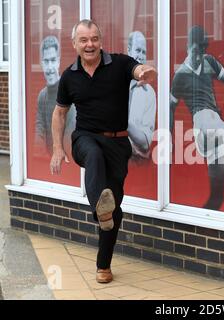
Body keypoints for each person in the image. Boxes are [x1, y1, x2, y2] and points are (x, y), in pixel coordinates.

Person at [49, 20, 157, 283]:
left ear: (101, 41)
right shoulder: (69, 76)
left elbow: (135, 68)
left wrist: (143, 71)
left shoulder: (118, 63)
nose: (90, 45)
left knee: (114, 206)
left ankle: (103, 266)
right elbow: (60, 112)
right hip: (85, 140)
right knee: (94, 157)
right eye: (84, 40)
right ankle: (101, 210)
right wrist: (56, 149)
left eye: (94, 39)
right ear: (74, 44)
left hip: (118, 144)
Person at [170, 26, 224, 211]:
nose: (199, 56)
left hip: (214, 128)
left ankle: (207, 218)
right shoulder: (180, 76)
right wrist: (169, 138)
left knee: (217, 197)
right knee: (218, 125)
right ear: (187, 46)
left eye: (202, 51)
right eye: (195, 51)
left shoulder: (209, 62)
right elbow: (170, 107)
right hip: (201, 121)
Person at [35, 35, 76, 155]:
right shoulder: (42, 96)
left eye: (53, 60)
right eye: (46, 61)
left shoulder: (69, 92)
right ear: (41, 63)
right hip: (48, 161)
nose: (49, 68)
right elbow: (39, 130)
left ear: (58, 61)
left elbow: (70, 136)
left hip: (66, 159)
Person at [127, 31, 156, 160]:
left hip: (135, 161)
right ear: (129, 51)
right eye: (138, 50)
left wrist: (121, 121)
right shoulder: (113, 83)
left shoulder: (148, 93)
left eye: (144, 53)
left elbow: (145, 143)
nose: (141, 56)